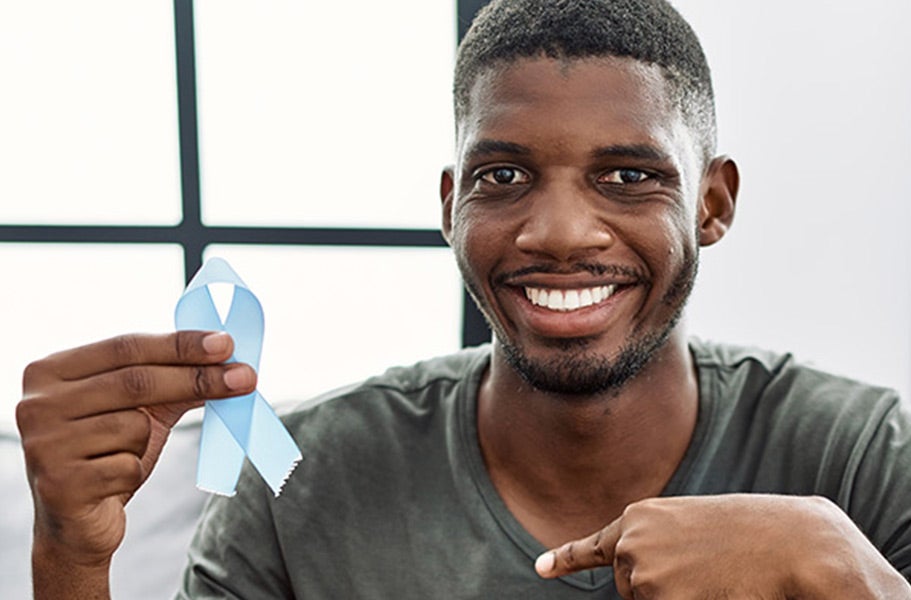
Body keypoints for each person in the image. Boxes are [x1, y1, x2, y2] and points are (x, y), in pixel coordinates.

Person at [17, 0, 911, 597]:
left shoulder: (860, 459)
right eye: (504, 174)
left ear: (710, 204)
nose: (559, 233)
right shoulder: (302, 483)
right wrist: (69, 553)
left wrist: (840, 573)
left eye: (629, 175)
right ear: (451, 206)